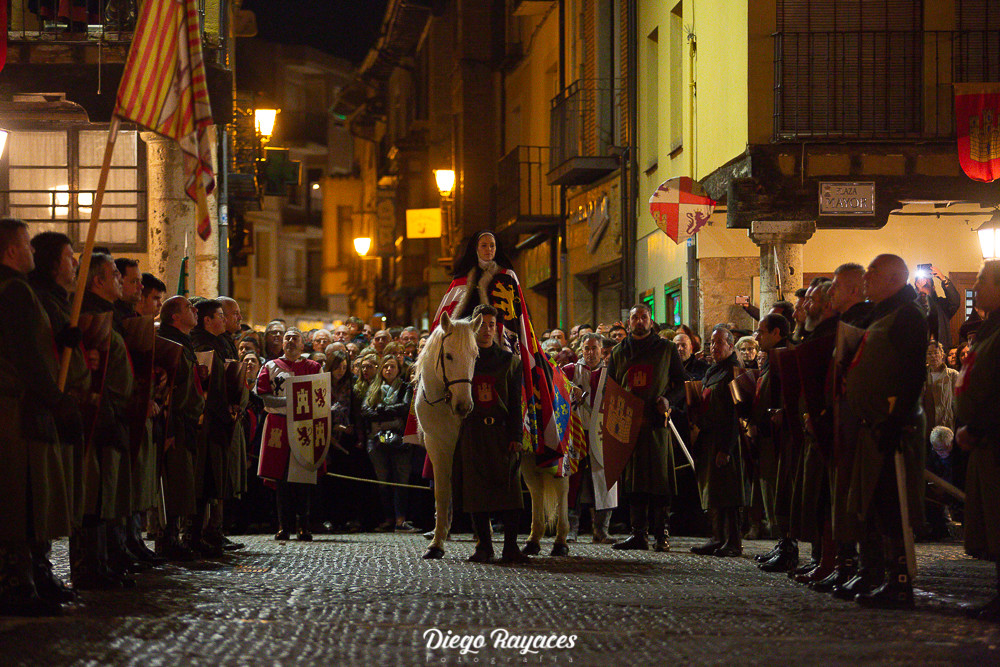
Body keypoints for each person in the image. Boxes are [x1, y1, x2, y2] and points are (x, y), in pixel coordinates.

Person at [0, 220, 80, 615]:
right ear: (12, 252)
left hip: (26, 405)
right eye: (27, 245)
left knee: (33, 495)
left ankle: (36, 574)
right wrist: (54, 397)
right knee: (19, 498)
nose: (34, 251)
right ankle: (17, 583)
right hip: (16, 408)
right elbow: (25, 355)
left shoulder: (20, 290)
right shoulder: (13, 290)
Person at [843, 254, 927, 609]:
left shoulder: (908, 314)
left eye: (873, 273)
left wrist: (895, 422)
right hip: (874, 425)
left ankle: (901, 580)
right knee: (877, 502)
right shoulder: (880, 313)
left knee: (895, 505)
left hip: (893, 426)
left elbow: (912, 373)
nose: (867, 278)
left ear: (894, 278)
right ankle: (880, 572)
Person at [608, 303, 687, 553]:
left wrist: (669, 400)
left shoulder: (666, 349)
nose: (639, 321)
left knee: (660, 481)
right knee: (634, 482)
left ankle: (661, 534)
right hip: (629, 425)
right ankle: (638, 533)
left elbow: (681, 384)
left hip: (656, 425)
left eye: (644, 317)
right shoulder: (619, 352)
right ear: (628, 323)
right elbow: (611, 387)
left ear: (651, 322)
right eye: (635, 318)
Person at [454, 305, 526, 563]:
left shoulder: (509, 361)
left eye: (491, 324)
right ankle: (484, 545)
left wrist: (516, 436)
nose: (486, 330)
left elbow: (516, 402)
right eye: (481, 324)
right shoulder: (465, 361)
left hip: (502, 432)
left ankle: (511, 547)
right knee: (476, 492)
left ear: (498, 328)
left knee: (509, 491)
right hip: (473, 432)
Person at [955, 259, 1000, 621]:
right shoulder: (988, 328)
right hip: (984, 439)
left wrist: (979, 427)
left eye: (983, 281)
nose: (977, 286)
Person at [256, 329, 323, 541]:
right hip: (279, 425)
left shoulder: (313, 367)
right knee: (281, 478)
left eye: (296, 338)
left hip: (305, 426)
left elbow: (321, 395)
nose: (291, 341)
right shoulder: (270, 366)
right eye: (288, 338)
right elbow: (264, 396)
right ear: (282, 344)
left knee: (303, 477)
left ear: (303, 345)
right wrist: (290, 402)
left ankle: (304, 525)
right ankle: (283, 526)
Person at [155, 296, 206, 562]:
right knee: (174, 483)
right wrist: (170, 427)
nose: (194, 310)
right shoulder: (167, 344)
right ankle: (168, 539)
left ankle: (175, 537)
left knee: (183, 482)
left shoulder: (184, 343)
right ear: (175, 317)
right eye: (188, 307)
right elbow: (167, 391)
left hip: (187, 421)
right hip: (174, 422)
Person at [691, 327, 745, 557]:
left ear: (731, 346)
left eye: (720, 343)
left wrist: (726, 448)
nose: (714, 347)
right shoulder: (713, 370)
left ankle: (733, 540)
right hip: (709, 436)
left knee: (729, 492)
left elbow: (735, 413)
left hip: (725, 438)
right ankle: (717, 537)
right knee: (713, 491)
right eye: (712, 343)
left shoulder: (734, 371)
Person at [563, 332, 616, 543]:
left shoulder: (611, 372)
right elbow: (555, 385)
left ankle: (601, 530)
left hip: (602, 434)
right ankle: (569, 528)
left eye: (595, 348)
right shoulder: (570, 371)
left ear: (602, 350)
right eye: (587, 348)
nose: (591, 352)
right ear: (581, 350)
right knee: (573, 480)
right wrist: (569, 387)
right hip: (576, 433)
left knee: (604, 480)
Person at [362, 355, 416, 533]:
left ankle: (401, 520)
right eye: (385, 366)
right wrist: (390, 415)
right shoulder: (374, 388)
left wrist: (381, 410)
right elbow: (366, 410)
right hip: (378, 440)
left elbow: (405, 407)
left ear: (398, 370)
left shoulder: (405, 387)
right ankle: (388, 518)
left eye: (392, 366)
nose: (388, 370)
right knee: (383, 480)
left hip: (400, 440)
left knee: (401, 479)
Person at [914, 265, 960, 349]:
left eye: (927, 286)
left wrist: (943, 278)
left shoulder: (941, 305)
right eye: (921, 287)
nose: (924, 288)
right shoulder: (912, 308)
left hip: (940, 353)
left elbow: (955, 301)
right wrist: (920, 292)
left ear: (933, 288)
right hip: (919, 355)